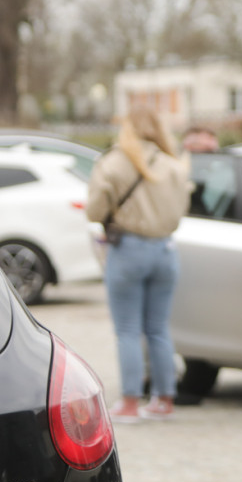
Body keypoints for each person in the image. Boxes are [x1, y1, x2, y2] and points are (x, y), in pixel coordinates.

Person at [87, 105, 191, 422]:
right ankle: (165, 399)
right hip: (164, 250)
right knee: (159, 329)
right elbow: (180, 211)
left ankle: (130, 403)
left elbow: (94, 211)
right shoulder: (174, 164)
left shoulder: (114, 162)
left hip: (128, 249)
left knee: (128, 330)